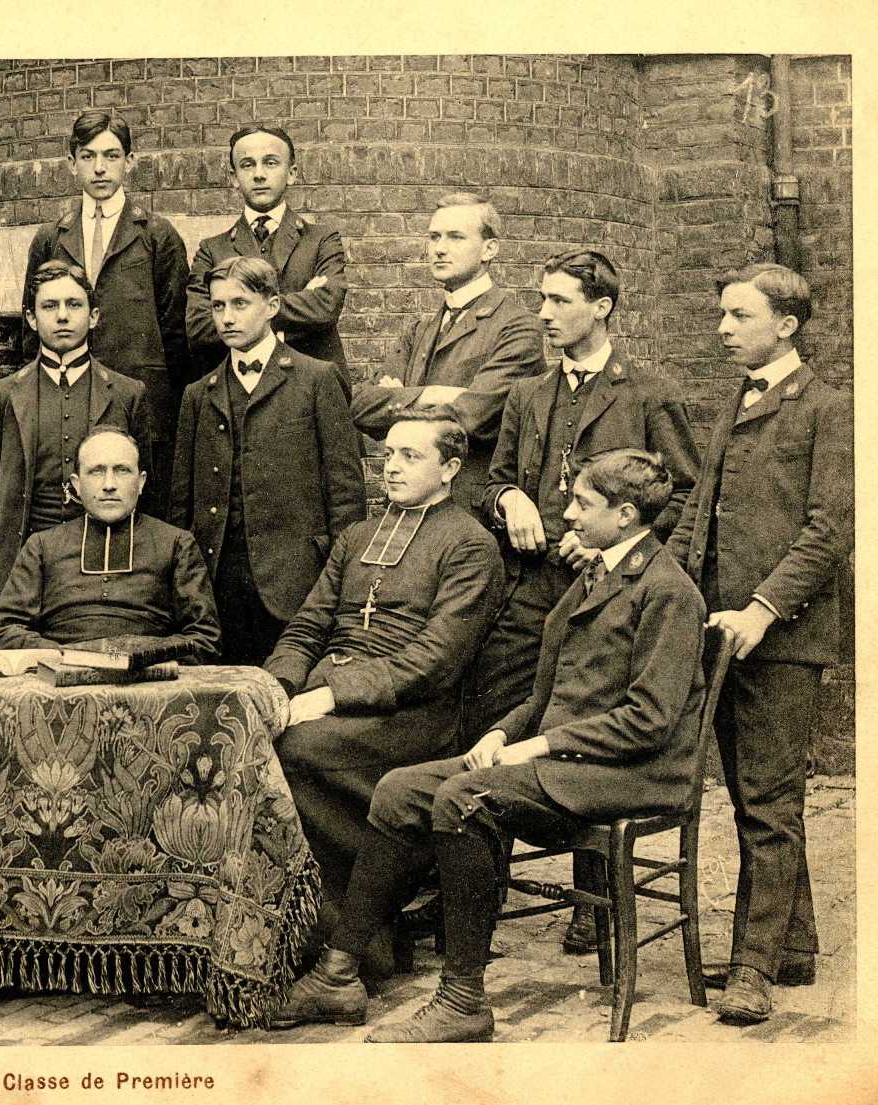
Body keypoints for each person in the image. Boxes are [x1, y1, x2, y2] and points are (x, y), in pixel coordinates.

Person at [269, 450, 706, 1041]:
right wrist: (504, 732)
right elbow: (547, 693)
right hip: (568, 756)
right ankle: (339, 973)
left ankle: (463, 1000)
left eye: (583, 504)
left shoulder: (668, 593)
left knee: (462, 798)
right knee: (401, 790)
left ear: (626, 515)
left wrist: (537, 748)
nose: (568, 515)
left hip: (633, 770)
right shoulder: (592, 575)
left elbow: (647, 721)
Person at [666, 263, 853, 1025]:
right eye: (721, 314)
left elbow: (828, 531)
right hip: (719, 632)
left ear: (786, 324)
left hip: (781, 639)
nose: (722, 328)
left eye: (738, 315)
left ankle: (753, 967)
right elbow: (697, 518)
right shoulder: (730, 406)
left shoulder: (826, 409)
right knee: (750, 797)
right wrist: (663, 588)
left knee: (771, 803)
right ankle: (793, 943)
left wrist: (764, 607)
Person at [469, 248, 700, 797]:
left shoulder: (648, 393)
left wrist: (615, 552)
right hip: (528, 589)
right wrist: (509, 501)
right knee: (497, 720)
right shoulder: (527, 393)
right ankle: (484, 856)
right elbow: (490, 482)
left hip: (610, 596)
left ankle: (594, 875)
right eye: (540, 299)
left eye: (558, 300)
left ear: (601, 307)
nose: (544, 314)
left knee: (586, 730)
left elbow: (686, 492)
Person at [264, 407, 503, 905]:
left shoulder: (471, 545)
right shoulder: (357, 536)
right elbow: (308, 626)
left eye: (409, 456)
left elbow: (435, 660)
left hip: (411, 714)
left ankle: (356, 921)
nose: (390, 466)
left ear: (450, 469)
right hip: (330, 699)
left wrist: (333, 696)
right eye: (387, 454)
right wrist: (275, 688)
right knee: (248, 739)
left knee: (293, 752)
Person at [170, 255, 363, 665]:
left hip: (297, 585)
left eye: (239, 303)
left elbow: (345, 495)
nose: (226, 317)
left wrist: (340, 583)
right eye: (218, 306)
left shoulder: (317, 379)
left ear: (272, 306)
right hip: (217, 588)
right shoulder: (197, 395)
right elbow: (180, 507)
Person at [22, 110, 190, 516]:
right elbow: (33, 328)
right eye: (88, 156)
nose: (100, 168)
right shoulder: (51, 237)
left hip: (138, 400)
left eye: (112, 156)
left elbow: (177, 332)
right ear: (71, 163)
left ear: (129, 162)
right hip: (69, 396)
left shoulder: (156, 235)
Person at [351, 192, 547, 515]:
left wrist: (399, 397)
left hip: (469, 510)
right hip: (405, 510)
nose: (439, 248)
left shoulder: (517, 328)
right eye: (434, 237)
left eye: (456, 237)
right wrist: (433, 393)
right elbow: (360, 405)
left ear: (489, 249)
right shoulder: (420, 330)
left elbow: (470, 417)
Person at [0, 261, 151, 615]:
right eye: (49, 306)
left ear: (94, 316)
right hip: (24, 562)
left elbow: (145, 486)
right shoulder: (4, 394)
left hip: (104, 561)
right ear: (30, 318)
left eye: (74, 305)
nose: (62, 317)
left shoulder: (127, 394)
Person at [0, 425, 221, 662]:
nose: (109, 484)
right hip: (61, 678)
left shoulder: (176, 544)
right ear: (77, 485)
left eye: (122, 470)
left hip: (149, 680)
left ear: (140, 482)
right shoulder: (42, 546)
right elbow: (4, 628)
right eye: (96, 471)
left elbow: (205, 637)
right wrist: (66, 656)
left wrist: (138, 656)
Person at [186, 125, 350, 399]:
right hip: (238, 393)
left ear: (292, 173)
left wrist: (243, 313)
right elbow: (199, 326)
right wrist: (300, 301)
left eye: (271, 163)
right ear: (233, 177)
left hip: (311, 392)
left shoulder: (321, 240)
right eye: (247, 165)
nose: (259, 174)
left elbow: (326, 306)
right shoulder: (213, 250)